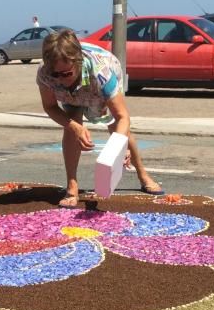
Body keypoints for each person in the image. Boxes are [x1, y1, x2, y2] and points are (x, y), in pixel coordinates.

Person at [36, 29, 163, 208]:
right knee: (71, 123)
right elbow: (49, 107)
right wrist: (75, 126)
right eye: (56, 74)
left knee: (115, 126)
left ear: (77, 62)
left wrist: (118, 147)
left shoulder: (101, 71)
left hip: (96, 84)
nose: (61, 79)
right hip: (71, 95)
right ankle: (72, 184)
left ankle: (143, 175)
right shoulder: (45, 71)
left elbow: (123, 117)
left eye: (66, 74)